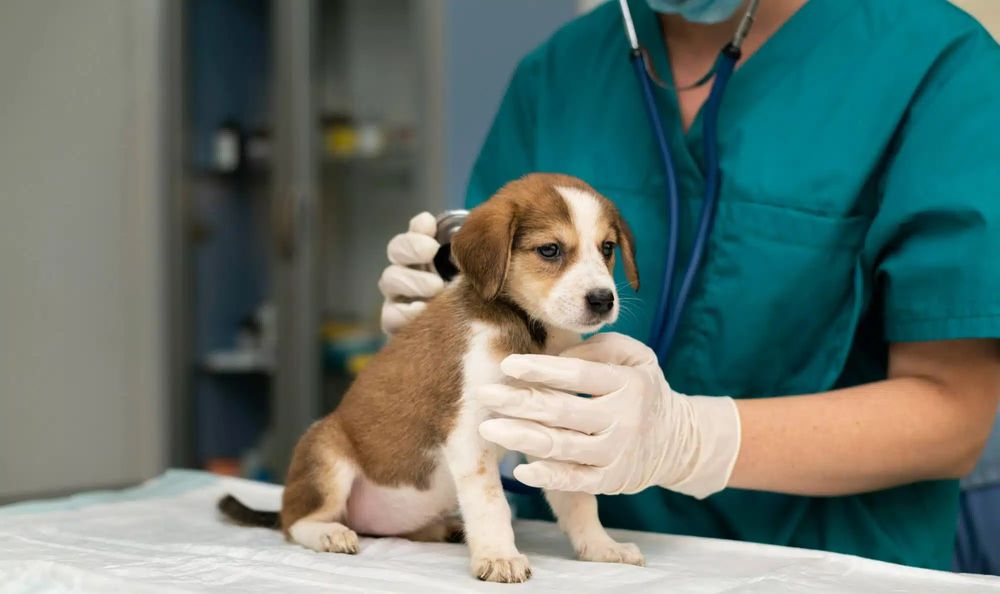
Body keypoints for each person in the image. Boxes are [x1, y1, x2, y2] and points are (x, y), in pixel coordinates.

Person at [378, 0, 1000, 571]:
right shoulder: (560, 72)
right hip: (576, 560)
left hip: (825, 565)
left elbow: (954, 415)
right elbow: (502, 296)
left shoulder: (935, 64)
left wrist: (690, 440)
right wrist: (448, 319)